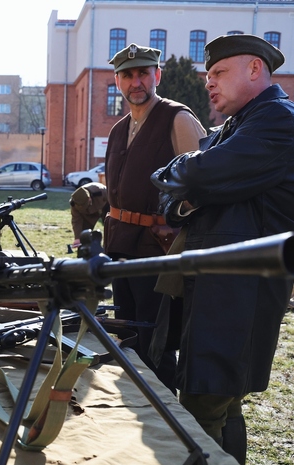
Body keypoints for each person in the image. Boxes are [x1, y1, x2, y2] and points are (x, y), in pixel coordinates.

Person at [150, 34, 294, 465]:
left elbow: (196, 173)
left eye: (219, 73)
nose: (209, 83)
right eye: (208, 75)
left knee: (206, 405)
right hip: (215, 288)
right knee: (215, 399)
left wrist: (192, 183)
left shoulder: (277, 121)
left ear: (254, 69)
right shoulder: (237, 127)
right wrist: (191, 188)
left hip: (240, 294)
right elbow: (169, 193)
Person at [103, 43, 206, 391]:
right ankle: (137, 405)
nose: (136, 82)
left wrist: (176, 228)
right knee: (128, 337)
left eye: (143, 73)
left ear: (157, 75)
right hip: (119, 248)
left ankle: (170, 421)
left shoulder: (177, 119)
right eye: (128, 75)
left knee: (156, 343)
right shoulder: (118, 130)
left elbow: (203, 188)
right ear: (117, 81)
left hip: (156, 251)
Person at [69, 181, 108, 248]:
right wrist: (77, 238)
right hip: (87, 214)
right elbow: (76, 220)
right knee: (84, 236)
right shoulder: (75, 202)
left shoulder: (102, 191)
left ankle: (109, 250)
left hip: (106, 206)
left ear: (89, 199)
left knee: (110, 230)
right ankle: (86, 252)